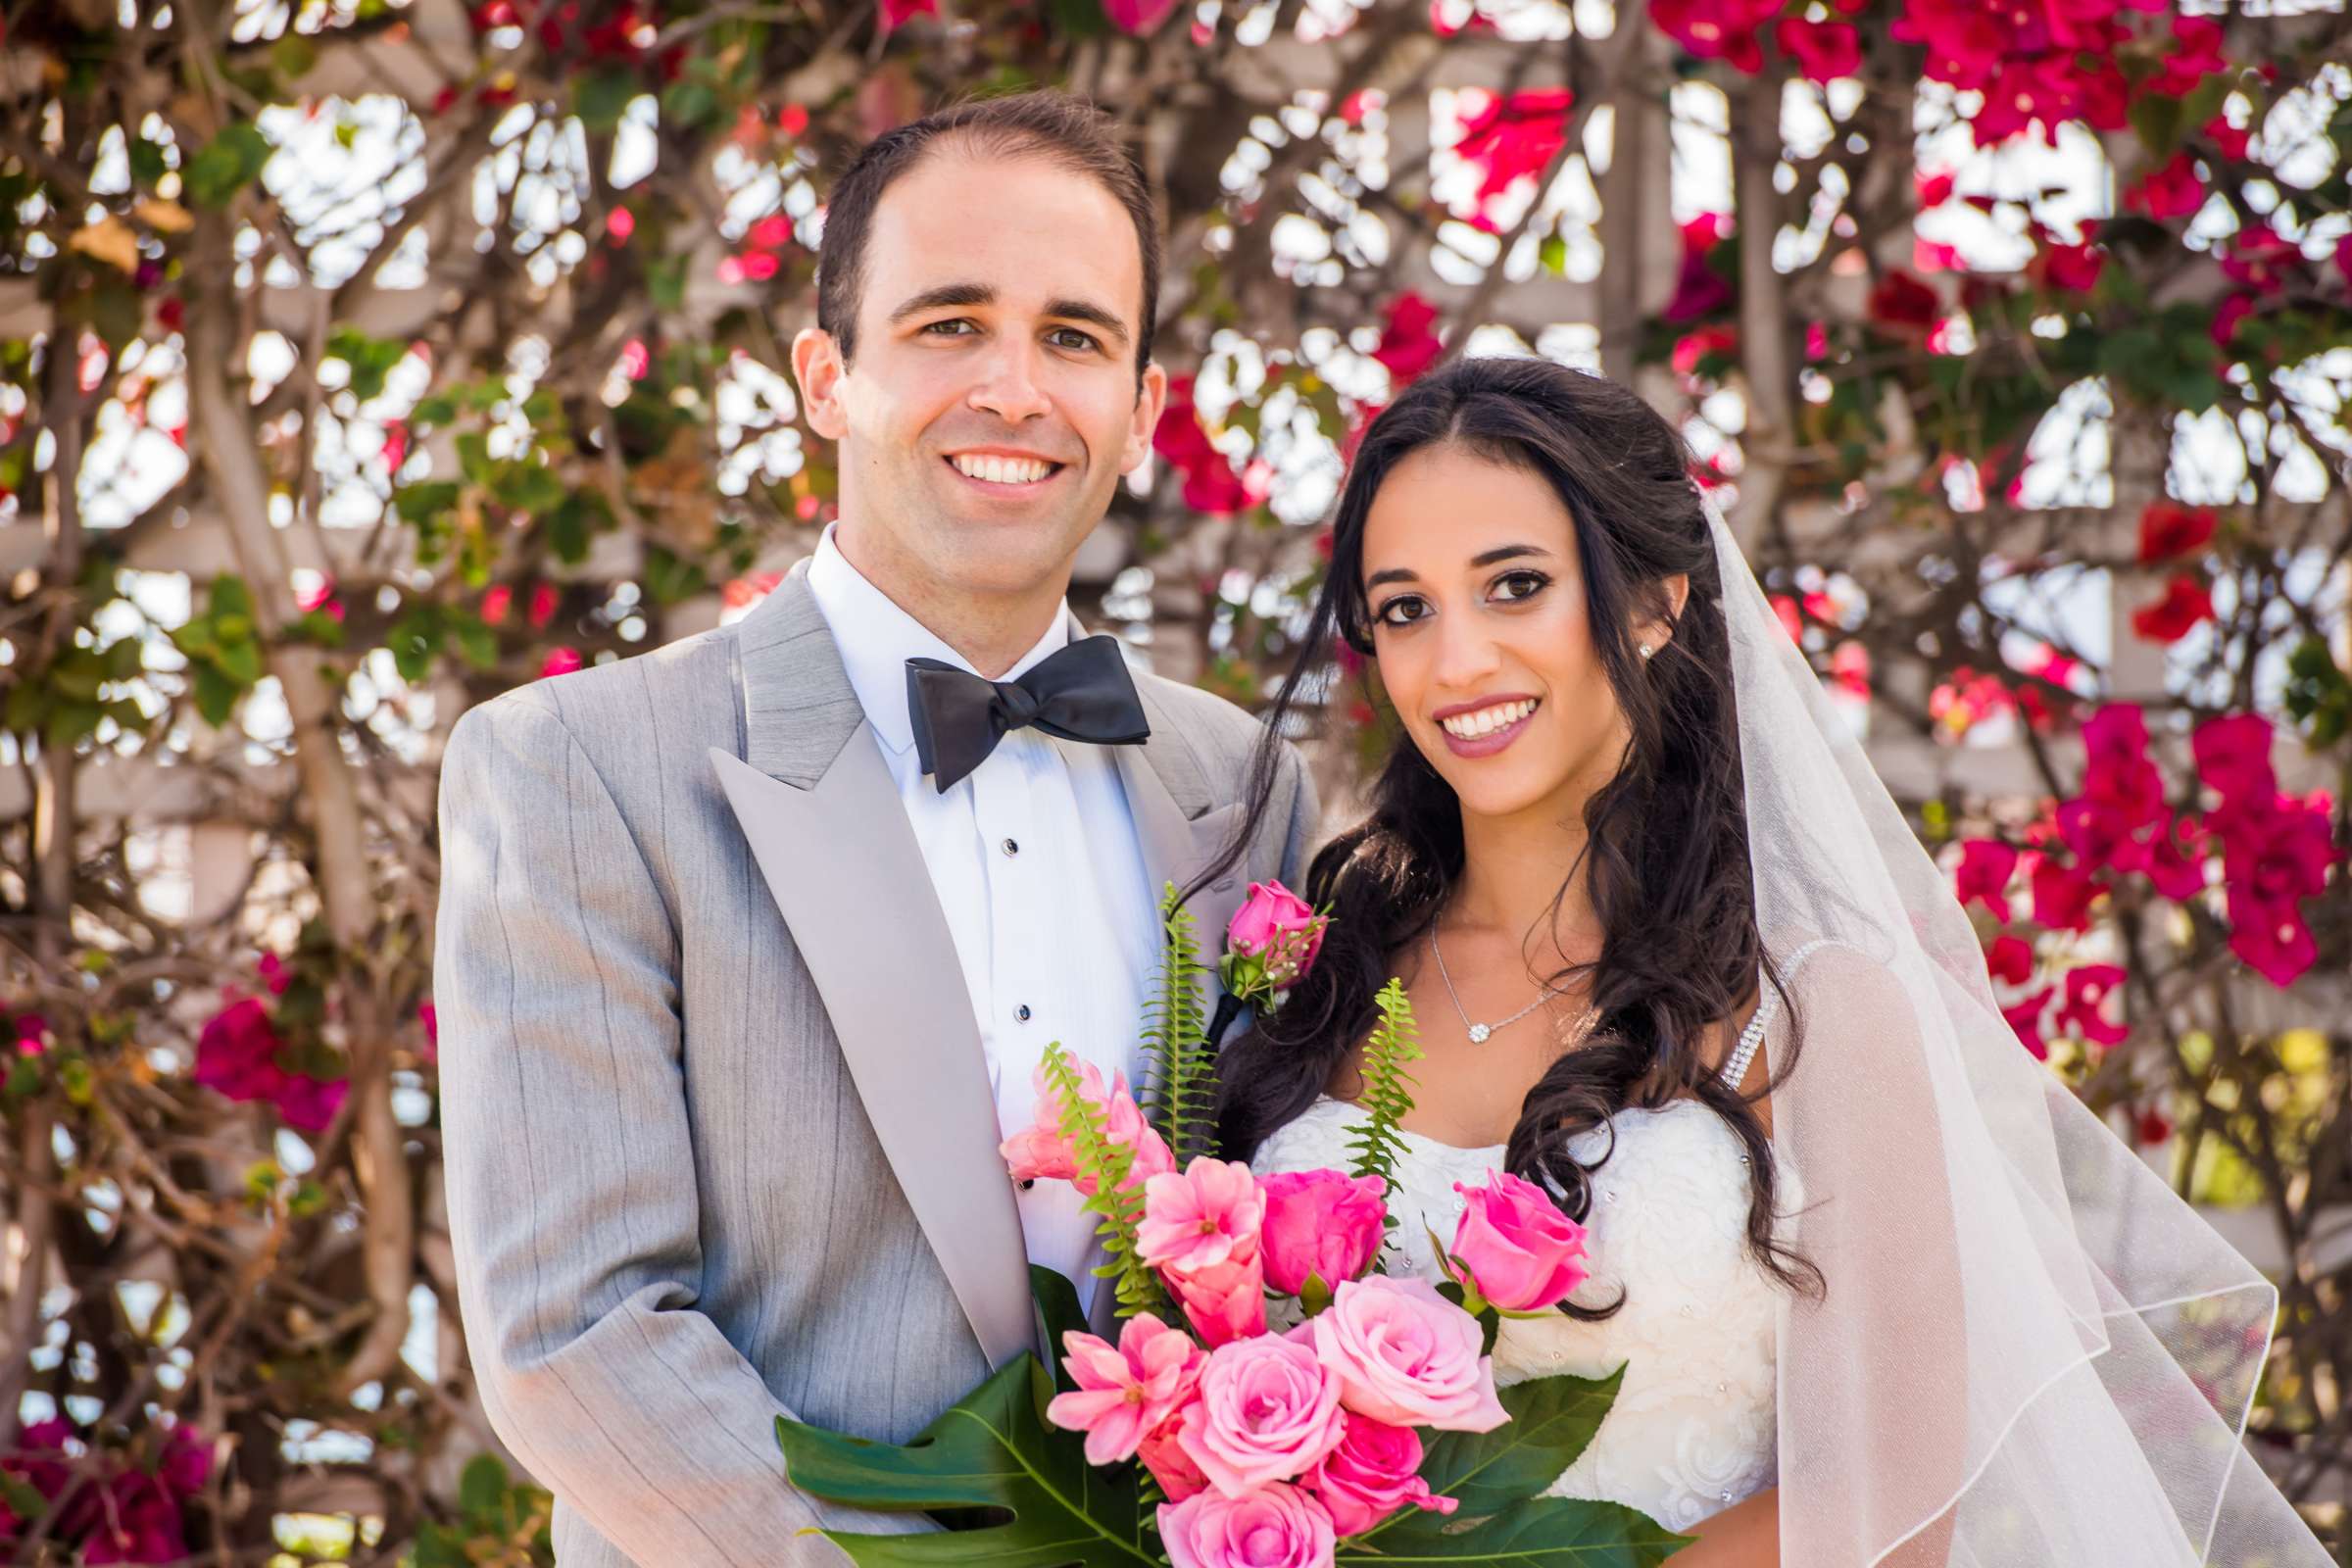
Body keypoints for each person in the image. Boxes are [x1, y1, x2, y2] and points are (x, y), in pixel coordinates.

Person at [1213, 355, 2334, 1565]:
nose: (1457, 660)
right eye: (1405, 608)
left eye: (1516, 586)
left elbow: (1887, 1501)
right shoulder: (1319, 982)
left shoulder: (1812, 1013)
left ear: (1654, 603)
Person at [433, 91, 1315, 1568]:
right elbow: (573, 1332)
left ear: (1144, 412)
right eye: (950, 324)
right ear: (826, 378)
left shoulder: (1239, 785)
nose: (1015, 390)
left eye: (1075, 338)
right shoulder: (578, 770)